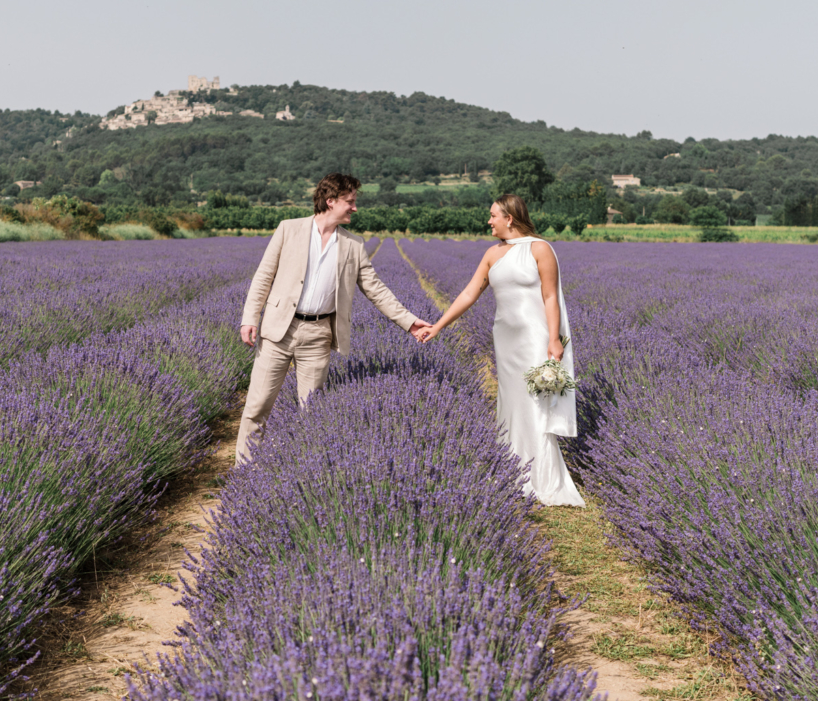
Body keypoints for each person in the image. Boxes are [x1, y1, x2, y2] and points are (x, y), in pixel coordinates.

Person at [236, 173, 432, 463]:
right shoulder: (289, 229)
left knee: (312, 413)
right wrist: (250, 317)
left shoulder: (353, 244)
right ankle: (244, 473)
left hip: (318, 335)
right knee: (257, 407)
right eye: (350, 202)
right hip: (278, 329)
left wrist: (409, 321)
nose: (355, 208)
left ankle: (302, 473)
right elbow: (264, 275)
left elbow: (375, 289)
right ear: (330, 201)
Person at [417, 194, 585, 506]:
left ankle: (541, 477)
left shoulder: (540, 249)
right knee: (511, 401)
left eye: (493, 215)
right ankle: (514, 470)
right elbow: (470, 293)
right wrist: (438, 326)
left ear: (510, 217)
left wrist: (554, 339)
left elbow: (550, 296)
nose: (489, 221)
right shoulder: (492, 254)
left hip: (534, 336)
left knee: (534, 400)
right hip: (505, 339)